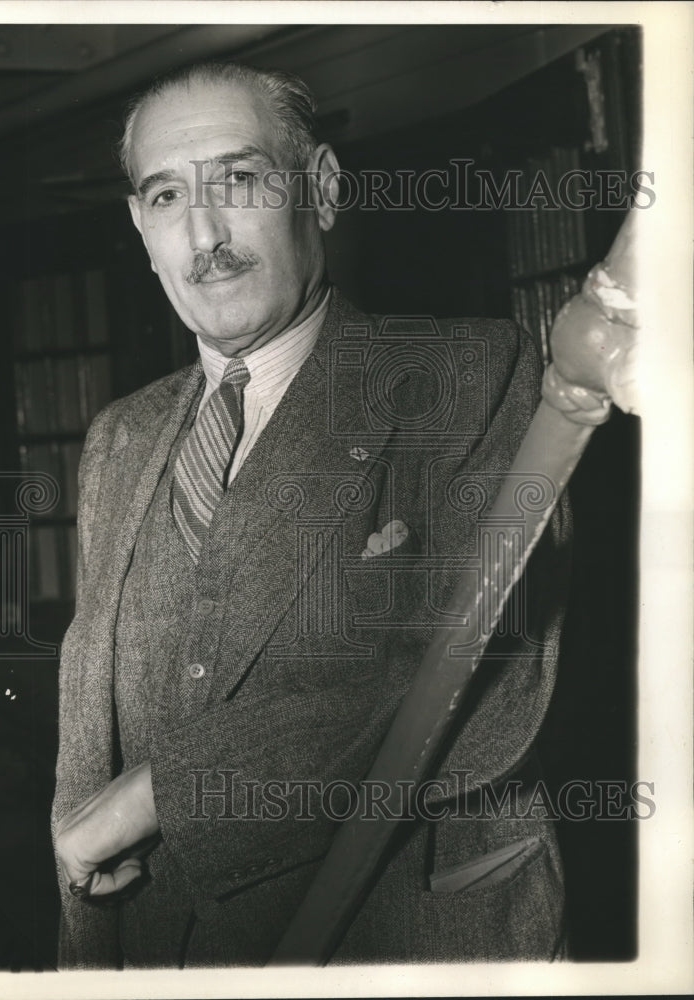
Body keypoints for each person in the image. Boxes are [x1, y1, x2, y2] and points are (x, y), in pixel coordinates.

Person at [52, 61, 571, 968]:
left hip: (400, 947)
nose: (204, 235)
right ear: (142, 228)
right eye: (168, 196)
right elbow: (87, 736)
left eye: (240, 181)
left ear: (322, 190)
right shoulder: (119, 439)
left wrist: (167, 796)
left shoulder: (473, 376)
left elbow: (474, 664)